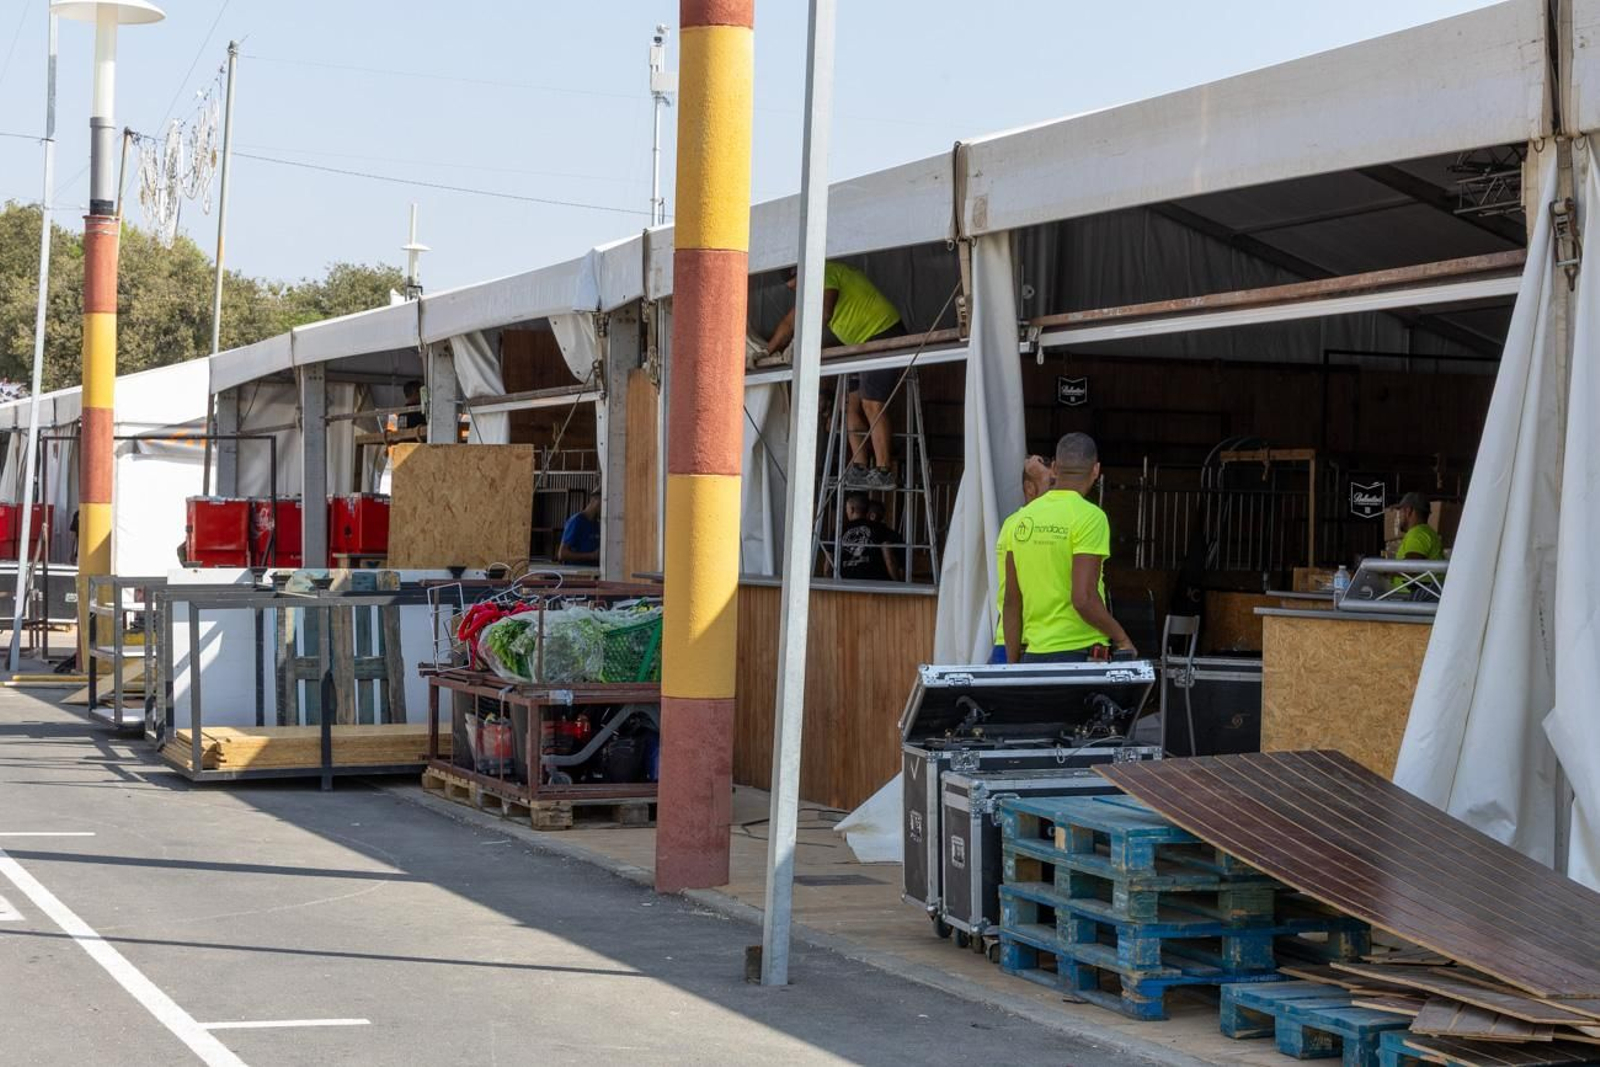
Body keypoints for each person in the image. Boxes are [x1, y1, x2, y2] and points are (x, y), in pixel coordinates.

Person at [763, 262, 905, 489]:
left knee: (871, 404)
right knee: (850, 407)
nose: (797, 291)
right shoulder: (811, 289)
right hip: (860, 345)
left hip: (882, 333)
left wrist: (799, 342)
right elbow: (789, 322)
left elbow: (825, 311)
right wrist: (765, 353)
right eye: (793, 289)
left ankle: (884, 471)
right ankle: (859, 467)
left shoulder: (824, 272)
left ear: (805, 274)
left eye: (798, 284)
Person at [1002, 433, 1136, 664]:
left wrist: (1014, 668)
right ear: (1096, 470)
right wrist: (1122, 638)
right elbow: (1083, 599)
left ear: (1054, 468)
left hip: (1034, 656)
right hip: (1080, 655)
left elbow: (1011, 602)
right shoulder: (1091, 517)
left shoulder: (1019, 520)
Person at [990, 455, 1055, 663]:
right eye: (1051, 484)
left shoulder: (1012, 523)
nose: (1057, 491)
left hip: (1016, 639)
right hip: (1022, 642)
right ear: (1029, 489)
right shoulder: (1019, 525)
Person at [838, 492, 902, 582]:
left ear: (851, 509)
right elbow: (889, 560)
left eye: (846, 509)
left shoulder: (838, 531)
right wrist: (898, 583)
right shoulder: (881, 529)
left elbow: (827, 568)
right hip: (876, 583)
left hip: (845, 582)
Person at [1391, 490, 1444, 596]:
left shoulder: (1417, 534)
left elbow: (1411, 566)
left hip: (1412, 599)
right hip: (1422, 597)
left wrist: (1384, 570)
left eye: (1400, 512)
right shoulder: (1427, 532)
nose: (1398, 517)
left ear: (1409, 511)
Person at [557, 489, 602, 565]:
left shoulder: (597, 523)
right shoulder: (577, 521)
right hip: (578, 568)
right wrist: (591, 556)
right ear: (595, 500)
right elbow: (562, 554)